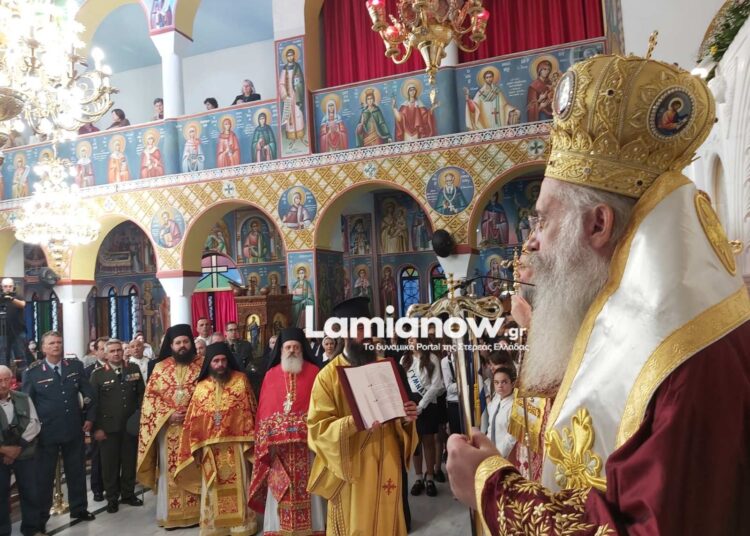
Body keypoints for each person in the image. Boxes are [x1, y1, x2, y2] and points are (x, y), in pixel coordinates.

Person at [447, 52, 750, 535]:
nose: (531, 241)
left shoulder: (683, 359)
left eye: (542, 220)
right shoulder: (645, 320)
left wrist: (491, 489)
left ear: (598, 225)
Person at [307, 297, 419, 535]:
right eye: (360, 328)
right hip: (353, 467)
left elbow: (397, 414)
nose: (367, 334)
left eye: (369, 327)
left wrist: (406, 418)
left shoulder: (385, 367)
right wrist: (354, 421)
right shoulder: (327, 377)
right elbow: (317, 430)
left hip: (388, 459)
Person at [174, 342, 258, 535]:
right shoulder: (201, 387)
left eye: (223, 360)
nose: (220, 364)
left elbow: (251, 410)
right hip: (210, 447)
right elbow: (193, 419)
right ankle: (214, 526)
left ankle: (242, 525)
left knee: (240, 485)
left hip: (237, 445)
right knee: (213, 486)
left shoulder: (241, 380)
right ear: (209, 363)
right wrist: (195, 443)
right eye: (215, 361)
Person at [249, 328, 325, 535]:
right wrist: (270, 435)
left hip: (307, 447)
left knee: (310, 490)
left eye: (296, 347)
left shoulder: (314, 372)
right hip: (278, 449)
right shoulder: (271, 375)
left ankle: (313, 529)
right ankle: (278, 529)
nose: (292, 351)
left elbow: (320, 407)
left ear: (302, 349)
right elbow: (264, 411)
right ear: (281, 350)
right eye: (288, 347)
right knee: (280, 488)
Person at [22, 331, 96, 530]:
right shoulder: (33, 372)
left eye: (59, 342)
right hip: (46, 433)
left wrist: (89, 418)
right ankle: (40, 519)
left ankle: (79, 508)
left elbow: (88, 394)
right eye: (52, 343)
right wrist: (32, 432)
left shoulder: (74, 366)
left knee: (76, 471)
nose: (56, 346)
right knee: (44, 478)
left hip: (73, 428)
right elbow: (27, 405)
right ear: (43, 348)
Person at [136, 324, 203, 529]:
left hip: (196, 428)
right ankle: (171, 516)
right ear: (171, 345)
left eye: (186, 341)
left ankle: (198, 513)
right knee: (169, 470)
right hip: (169, 430)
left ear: (191, 343)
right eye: (178, 342)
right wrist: (168, 415)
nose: (182, 346)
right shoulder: (160, 368)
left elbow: (209, 391)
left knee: (197, 467)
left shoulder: (202, 364)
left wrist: (192, 413)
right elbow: (150, 399)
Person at [90, 339, 144, 513]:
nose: (116, 353)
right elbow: (93, 404)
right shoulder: (98, 375)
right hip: (108, 428)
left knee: (129, 462)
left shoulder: (133, 369)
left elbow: (141, 396)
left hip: (130, 426)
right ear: (106, 354)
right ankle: (112, 498)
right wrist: (96, 428)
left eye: (118, 350)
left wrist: (140, 420)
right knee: (109, 466)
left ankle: (128, 494)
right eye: (112, 351)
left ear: (123, 351)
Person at [0, 364, 42, 536]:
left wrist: (17, 448)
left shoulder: (23, 398)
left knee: (30, 492)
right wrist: (5, 450)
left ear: (12, 380)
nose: (3, 384)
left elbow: (34, 423)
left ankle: (31, 529)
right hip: (1, 455)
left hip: (23, 452)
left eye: (6, 380)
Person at [400, 337, 444, 498]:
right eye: (409, 340)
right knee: (415, 443)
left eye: (414, 339)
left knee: (429, 442)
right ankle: (418, 478)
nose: (411, 342)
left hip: (428, 403)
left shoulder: (432, 358)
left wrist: (421, 405)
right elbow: (401, 383)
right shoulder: (404, 359)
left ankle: (430, 477)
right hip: (410, 403)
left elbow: (436, 385)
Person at [481, 366, 516, 457]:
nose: (500, 386)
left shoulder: (515, 406)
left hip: (505, 455)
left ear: (512, 384)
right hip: (490, 452)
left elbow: (511, 438)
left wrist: (498, 455)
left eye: (504, 382)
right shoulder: (496, 399)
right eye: (496, 382)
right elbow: (491, 427)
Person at [278, 50, 306, 147]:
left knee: (298, 114)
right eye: (288, 56)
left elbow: (301, 81)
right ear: (286, 57)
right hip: (288, 95)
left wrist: (298, 89)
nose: (290, 57)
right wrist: (285, 95)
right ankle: (292, 138)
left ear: (294, 56)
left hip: (296, 94)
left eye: (292, 55)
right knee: (290, 116)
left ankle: (301, 136)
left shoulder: (297, 67)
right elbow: (281, 84)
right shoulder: (284, 69)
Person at [0, 278, 26, 369]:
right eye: (5, 286)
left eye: (10, 286)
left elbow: (22, 304)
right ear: (1, 287)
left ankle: (22, 375)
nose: (8, 288)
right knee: (3, 356)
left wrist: (11, 299)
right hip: (2, 332)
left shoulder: (17, 296)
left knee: (20, 355)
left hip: (18, 331)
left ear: (13, 287)